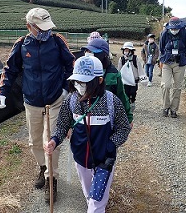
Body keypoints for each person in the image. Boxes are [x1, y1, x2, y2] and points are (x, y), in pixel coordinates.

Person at [0, 7, 75, 203]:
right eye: (41, 28)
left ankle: (51, 180)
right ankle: (42, 167)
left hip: (55, 100)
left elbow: (71, 64)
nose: (45, 32)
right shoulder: (22, 45)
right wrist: (3, 92)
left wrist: (66, 89)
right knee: (35, 142)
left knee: (51, 142)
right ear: (29, 27)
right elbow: (10, 70)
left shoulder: (57, 41)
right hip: (31, 102)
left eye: (47, 28)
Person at [44, 55, 131, 212]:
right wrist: (54, 140)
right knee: (89, 194)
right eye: (77, 81)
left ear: (99, 80)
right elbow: (62, 125)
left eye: (85, 82)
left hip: (104, 160)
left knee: (97, 201)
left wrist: (110, 145)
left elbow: (124, 128)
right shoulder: (71, 100)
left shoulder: (112, 102)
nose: (80, 85)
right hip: (80, 158)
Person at [80, 38, 133, 126]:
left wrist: (128, 117)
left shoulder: (113, 74)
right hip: (85, 118)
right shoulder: (82, 71)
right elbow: (75, 98)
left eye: (92, 51)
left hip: (106, 119)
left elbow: (121, 96)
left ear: (103, 54)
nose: (88, 54)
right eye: (87, 51)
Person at [159, 16, 186, 118]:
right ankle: (165, 107)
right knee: (166, 85)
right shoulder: (164, 33)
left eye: (175, 29)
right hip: (167, 62)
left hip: (179, 63)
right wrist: (167, 56)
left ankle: (174, 109)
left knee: (177, 87)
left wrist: (181, 56)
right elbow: (161, 47)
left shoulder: (184, 33)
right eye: (172, 29)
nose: (174, 31)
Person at [117, 41, 147, 113]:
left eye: (127, 50)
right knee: (126, 93)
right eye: (125, 50)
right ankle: (127, 105)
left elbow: (140, 69)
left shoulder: (135, 59)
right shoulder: (122, 59)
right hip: (125, 80)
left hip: (134, 80)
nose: (126, 52)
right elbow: (119, 69)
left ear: (131, 51)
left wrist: (143, 79)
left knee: (133, 92)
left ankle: (132, 102)